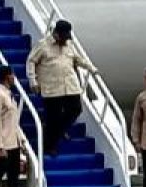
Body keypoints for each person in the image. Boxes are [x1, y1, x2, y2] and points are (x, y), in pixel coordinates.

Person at [27, 19, 97, 157]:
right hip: (52, 88)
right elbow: (31, 61)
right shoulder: (43, 46)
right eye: (64, 37)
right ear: (56, 34)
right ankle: (49, 145)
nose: (65, 40)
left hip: (70, 86)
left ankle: (59, 130)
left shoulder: (68, 45)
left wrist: (91, 68)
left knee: (76, 109)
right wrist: (33, 81)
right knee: (53, 117)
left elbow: (78, 59)